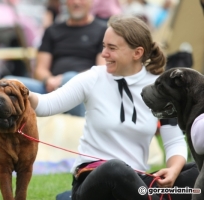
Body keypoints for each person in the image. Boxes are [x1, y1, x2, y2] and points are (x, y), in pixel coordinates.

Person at [28, 15, 199, 200]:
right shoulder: (92, 78)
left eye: (112, 48)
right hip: (94, 181)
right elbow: (45, 105)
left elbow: (173, 141)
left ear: (137, 53)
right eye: (104, 46)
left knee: (198, 172)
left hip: (138, 183)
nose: (104, 54)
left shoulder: (159, 87)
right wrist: (20, 93)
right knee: (114, 168)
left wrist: (173, 170)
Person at [5, 0, 107, 117]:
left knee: (71, 78)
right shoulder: (52, 31)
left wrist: (64, 79)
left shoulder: (103, 31)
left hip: (83, 89)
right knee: (8, 84)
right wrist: (49, 80)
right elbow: (40, 70)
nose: (76, 2)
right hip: (50, 88)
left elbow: (101, 70)